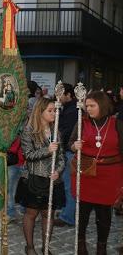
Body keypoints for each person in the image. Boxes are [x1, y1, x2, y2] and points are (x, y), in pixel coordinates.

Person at [69, 91, 123, 255]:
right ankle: (81, 246)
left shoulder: (117, 124)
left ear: (103, 105)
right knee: (82, 212)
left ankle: (101, 247)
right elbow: (69, 143)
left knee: (104, 214)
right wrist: (74, 146)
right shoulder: (81, 122)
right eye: (87, 106)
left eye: (92, 105)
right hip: (85, 172)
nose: (88, 108)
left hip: (110, 175)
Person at [17, 97, 65, 255]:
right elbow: (28, 155)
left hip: (53, 180)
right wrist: (47, 150)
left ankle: (46, 246)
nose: (53, 113)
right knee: (31, 213)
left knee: (48, 214)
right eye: (50, 111)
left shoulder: (55, 130)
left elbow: (61, 156)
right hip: (34, 178)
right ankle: (29, 247)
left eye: (55, 110)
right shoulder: (29, 130)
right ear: (40, 111)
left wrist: (58, 171)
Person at [54, 83, 78, 227]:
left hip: (69, 151)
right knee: (65, 184)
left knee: (70, 185)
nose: (58, 97)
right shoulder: (66, 109)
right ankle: (65, 210)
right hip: (65, 151)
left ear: (69, 95)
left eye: (60, 94)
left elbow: (65, 132)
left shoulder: (73, 110)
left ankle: (68, 216)